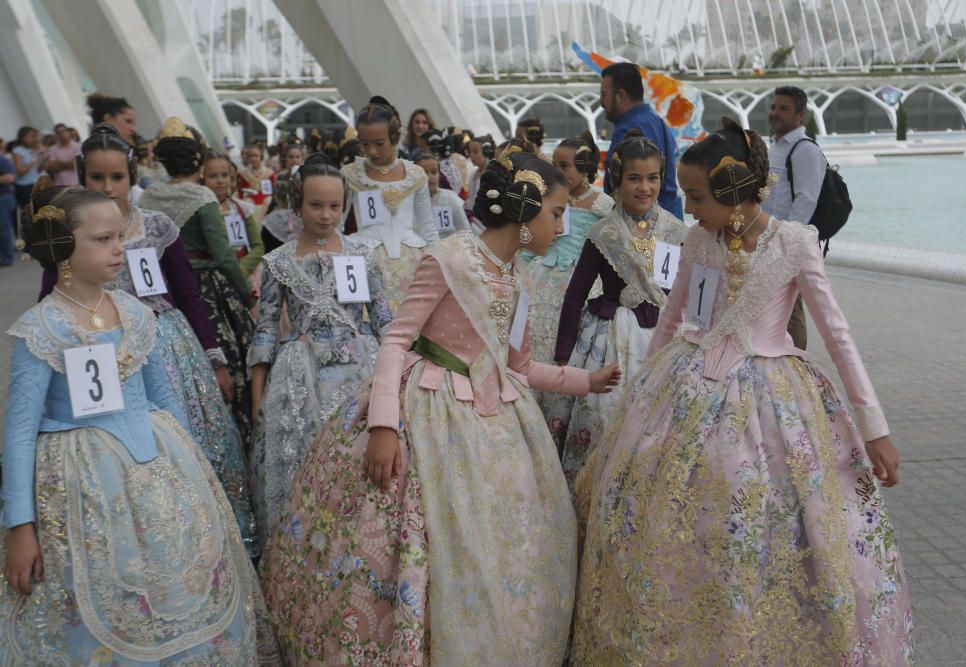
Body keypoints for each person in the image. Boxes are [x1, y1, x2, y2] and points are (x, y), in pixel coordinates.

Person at [571, 118, 914, 665]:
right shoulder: (698, 241)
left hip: (773, 397)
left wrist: (874, 428)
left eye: (696, 196)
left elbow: (838, 335)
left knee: (768, 520)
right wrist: (643, 390)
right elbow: (674, 317)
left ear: (733, 193)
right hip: (685, 386)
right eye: (682, 195)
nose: (687, 207)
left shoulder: (796, 244)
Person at [260, 150, 621, 665]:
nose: (561, 226)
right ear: (523, 211)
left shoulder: (516, 282)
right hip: (431, 414)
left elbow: (517, 368)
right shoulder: (449, 258)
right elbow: (396, 340)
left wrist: (585, 381)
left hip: (498, 426)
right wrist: (384, 423)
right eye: (555, 213)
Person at [1, 179, 279, 664]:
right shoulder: (42, 329)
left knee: (175, 581)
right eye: (103, 240)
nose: (119, 250)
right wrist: (20, 525)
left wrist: (195, 476)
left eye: (119, 238)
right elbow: (20, 431)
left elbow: (163, 398)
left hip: (159, 468)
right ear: (64, 246)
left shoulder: (135, 312)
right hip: (81, 487)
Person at [36, 124, 258, 554]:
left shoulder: (157, 227)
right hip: (94, 354)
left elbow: (189, 296)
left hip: (167, 350)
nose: (108, 187)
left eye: (117, 177)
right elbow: (50, 296)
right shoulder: (66, 231)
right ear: (82, 176)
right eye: (97, 178)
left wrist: (214, 359)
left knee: (176, 442)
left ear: (133, 174)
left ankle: (198, 537)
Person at [249, 154, 392, 543]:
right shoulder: (278, 262)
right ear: (297, 205)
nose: (326, 215)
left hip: (361, 368)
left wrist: (399, 376)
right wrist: (258, 398)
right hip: (301, 375)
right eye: (316, 205)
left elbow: (383, 318)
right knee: (305, 460)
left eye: (334, 206)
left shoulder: (362, 254)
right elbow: (265, 329)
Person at [553, 131, 686, 493]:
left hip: (661, 335)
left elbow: (673, 292)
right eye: (634, 178)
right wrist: (563, 357)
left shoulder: (673, 230)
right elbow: (575, 295)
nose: (645, 187)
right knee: (603, 419)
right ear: (616, 180)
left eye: (653, 178)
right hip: (609, 338)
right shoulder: (603, 232)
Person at [139, 118, 257, 450]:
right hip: (207, 289)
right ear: (197, 161)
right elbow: (222, 254)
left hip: (163, 289)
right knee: (230, 358)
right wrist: (247, 295)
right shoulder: (202, 197)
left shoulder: (148, 196)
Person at [521, 131, 613, 368]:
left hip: (583, 280)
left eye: (565, 166)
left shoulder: (602, 205)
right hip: (543, 272)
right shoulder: (547, 199)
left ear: (584, 168)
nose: (558, 172)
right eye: (555, 165)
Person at [343, 101, 438, 311]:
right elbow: (337, 226)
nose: (372, 151)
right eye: (365, 144)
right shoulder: (350, 175)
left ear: (394, 137)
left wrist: (437, 267)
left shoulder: (415, 175)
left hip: (412, 263)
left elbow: (428, 227)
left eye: (379, 143)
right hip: (362, 262)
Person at [761, 85, 827, 350]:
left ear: (800, 115)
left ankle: (798, 366)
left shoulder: (805, 150)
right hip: (766, 240)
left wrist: (785, 242)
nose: (775, 113)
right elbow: (767, 192)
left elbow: (806, 199)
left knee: (791, 309)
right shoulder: (776, 148)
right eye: (774, 107)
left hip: (787, 243)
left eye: (784, 109)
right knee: (774, 307)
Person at [600, 61, 683, 218]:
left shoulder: (629, 129)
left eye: (604, 95)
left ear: (620, 96)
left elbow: (618, 189)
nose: (601, 103)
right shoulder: (656, 121)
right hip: (666, 221)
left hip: (641, 227)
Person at [203, 150, 265, 295]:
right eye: (213, 176)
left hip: (246, 276)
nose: (220, 181)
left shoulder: (241, 208)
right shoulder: (199, 212)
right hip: (214, 281)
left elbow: (258, 246)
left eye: (224, 175)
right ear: (202, 178)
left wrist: (241, 269)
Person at [414, 152, 471, 239]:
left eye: (434, 172)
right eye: (424, 172)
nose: (429, 177)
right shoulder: (408, 202)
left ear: (439, 174)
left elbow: (465, 230)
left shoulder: (450, 198)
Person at [12, 126, 45, 212]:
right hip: (25, 187)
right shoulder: (17, 151)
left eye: (33, 136)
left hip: (36, 183)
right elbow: (21, 171)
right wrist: (34, 160)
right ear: (22, 137)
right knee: (31, 212)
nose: (32, 139)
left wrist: (42, 158)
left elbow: (39, 170)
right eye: (30, 136)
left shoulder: (33, 149)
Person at [237, 143, 274, 220]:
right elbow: (241, 190)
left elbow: (273, 190)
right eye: (251, 156)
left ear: (261, 157)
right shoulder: (243, 173)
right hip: (250, 198)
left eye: (256, 156)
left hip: (266, 198)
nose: (253, 159)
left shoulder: (269, 172)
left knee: (269, 201)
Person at [465, 133, 495, 215]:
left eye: (475, 152)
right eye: (470, 152)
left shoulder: (493, 173)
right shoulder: (473, 174)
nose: (471, 155)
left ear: (486, 152)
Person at [0, 142, 14, 266]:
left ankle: (6, 258)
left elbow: (9, 178)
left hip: (3, 197)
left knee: (3, 230)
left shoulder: (2, 160)